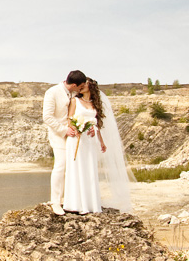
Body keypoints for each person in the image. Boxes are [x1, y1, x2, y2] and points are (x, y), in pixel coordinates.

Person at [62, 78, 133, 214]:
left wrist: (101, 142)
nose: (82, 85)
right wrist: (77, 128)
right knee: (76, 169)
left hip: (90, 141)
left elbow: (96, 125)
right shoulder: (75, 101)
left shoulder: (94, 104)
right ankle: (75, 204)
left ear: (91, 86)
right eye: (82, 84)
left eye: (85, 83)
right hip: (77, 139)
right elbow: (69, 119)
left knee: (90, 170)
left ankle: (91, 204)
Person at [42, 70, 86, 215]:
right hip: (58, 135)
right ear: (74, 85)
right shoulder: (52, 92)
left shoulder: (74, 94)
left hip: (73, 136)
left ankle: (70, 200)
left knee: (72, 168)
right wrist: (64, 130)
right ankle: (55, 202)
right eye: (80, 87)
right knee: (60, 166)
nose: (81, 89)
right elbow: (47, 117)